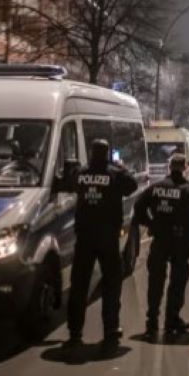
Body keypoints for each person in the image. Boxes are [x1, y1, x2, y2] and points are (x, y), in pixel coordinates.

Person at [63, 139, 138, 354]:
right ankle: (110, 331)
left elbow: (67, 183)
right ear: (106, 154)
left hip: (84, 237)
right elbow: (131, 185)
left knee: (79, 286)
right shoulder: (115, 174)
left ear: (91, 152)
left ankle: (75, 333)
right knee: (111, 285)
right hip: (107, 238)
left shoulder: (81, 173)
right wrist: (120, 167)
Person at [134, 153, 189, 340]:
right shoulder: (188, 191)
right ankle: (172, 320)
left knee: (155, 282)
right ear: (185, 167)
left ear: (169, 167)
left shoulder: (155, 188)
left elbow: (138, 208)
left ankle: (152, 322)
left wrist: (151, 223)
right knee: (177, 283)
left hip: (160, 241)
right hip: (179, 242)